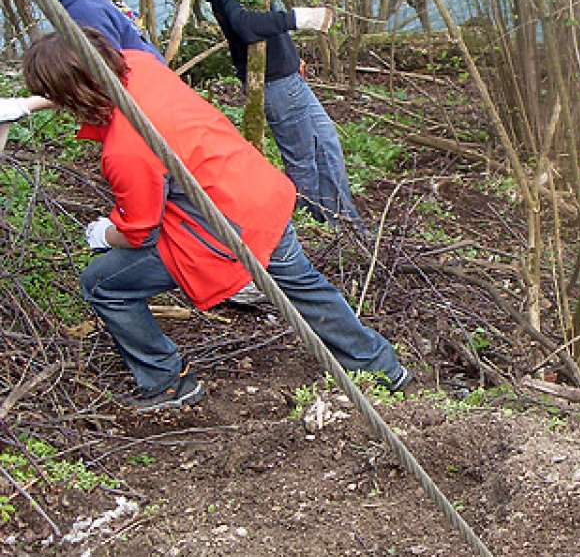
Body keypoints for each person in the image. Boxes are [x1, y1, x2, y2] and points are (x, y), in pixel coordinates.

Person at [20, 29, 409, 411]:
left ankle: (166, 382)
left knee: (102, 283)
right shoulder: (138, 65)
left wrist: (103, 234)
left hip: (224, 231)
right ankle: (380, 366)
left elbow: (140, 232)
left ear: (73, 93)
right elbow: (97, 86)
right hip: (257, 193)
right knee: (302, 285)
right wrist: (25, 104)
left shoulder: (126, 150)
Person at [195, 0, 361, 226]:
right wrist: (301, 18)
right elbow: (246, 25)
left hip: (285, 77)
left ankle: (343, 221)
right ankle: (318, 225)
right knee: (303, 162)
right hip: (276, 85)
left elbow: (263, 24)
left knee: (326, 143)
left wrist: (291, 57)